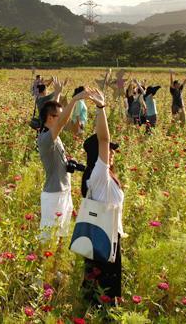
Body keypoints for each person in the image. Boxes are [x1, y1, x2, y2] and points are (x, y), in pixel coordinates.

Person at [79, 88, 125, 308]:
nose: (112, 152)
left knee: (96, 283)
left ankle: (93, 308)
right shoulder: (98, 173)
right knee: (104, 286)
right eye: (109, 150)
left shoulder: (104, 175)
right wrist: (100, 109)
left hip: (108, 233)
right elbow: (104, 139)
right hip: (104, 234)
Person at [37, 87, 93, 242]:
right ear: (50, 118)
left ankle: (55, 263)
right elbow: (61, 122)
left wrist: (57, 93)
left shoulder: (53, 136)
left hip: (63, 191)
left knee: (61, 234)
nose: (64, 119)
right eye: (59, 116)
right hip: (54, 194)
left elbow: (57, 118)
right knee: (48, 238)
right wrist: (75, 99)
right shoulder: (46, 138)